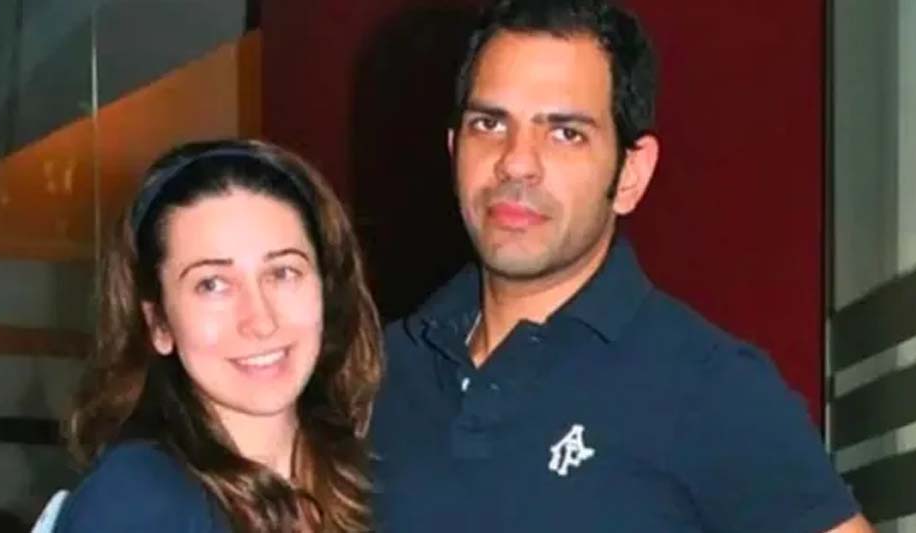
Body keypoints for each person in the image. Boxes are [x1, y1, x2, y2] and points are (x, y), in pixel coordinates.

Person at [370, 1, 873, 532]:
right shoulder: (375, 373)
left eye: (565, 132)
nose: (516, 161)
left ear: (631, 174)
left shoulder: (709, 385)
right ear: (454, 149)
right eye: (489, 123)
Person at [54, 139, 382, 533]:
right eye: (212, 284)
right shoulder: (136, 502)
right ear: (158, 323)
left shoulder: (377, 469)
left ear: (327, 291)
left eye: (283, 273)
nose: (260, 320)